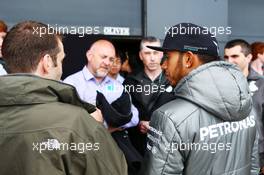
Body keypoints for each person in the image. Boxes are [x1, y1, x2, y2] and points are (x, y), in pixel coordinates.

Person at [0, 21, 127, 175]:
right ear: (47, 62)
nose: (61, 68)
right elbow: (114, 171)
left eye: (111, 58)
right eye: (60, 60)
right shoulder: (76, 122)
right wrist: (93, 129)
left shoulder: (115, 88)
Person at [142, 23, 258, 175]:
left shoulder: (168, 118)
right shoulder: (246, 101)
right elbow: (253, 166)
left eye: (167, 57)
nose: (162, 65)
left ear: (188, 59)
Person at [63, 39, 141, 174]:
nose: (107, 63)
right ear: (89, 55)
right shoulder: (71, 83)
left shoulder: (117, 86)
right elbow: (64, 121)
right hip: (82, 154)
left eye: (111, 59)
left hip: (112, 154)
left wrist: (110, 124)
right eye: (103, 57)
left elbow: (134, 116)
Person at [123, 36, 174, 156]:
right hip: (137, 145)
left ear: (162, 54)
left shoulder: (173, 80)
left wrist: (157, 125)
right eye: (147, 53)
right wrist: (138, 123)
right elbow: (124, 112)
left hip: (166, 145)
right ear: (141, 55)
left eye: (155, 52)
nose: (152, 58)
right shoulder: (130, 81)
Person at [224, 39, 264, 173]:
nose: (229, 61)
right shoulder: (220, 86)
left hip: (258, 158)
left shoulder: (262, 85)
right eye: (226, 57)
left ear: (249, 57)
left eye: (235, 56)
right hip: (228, 158)